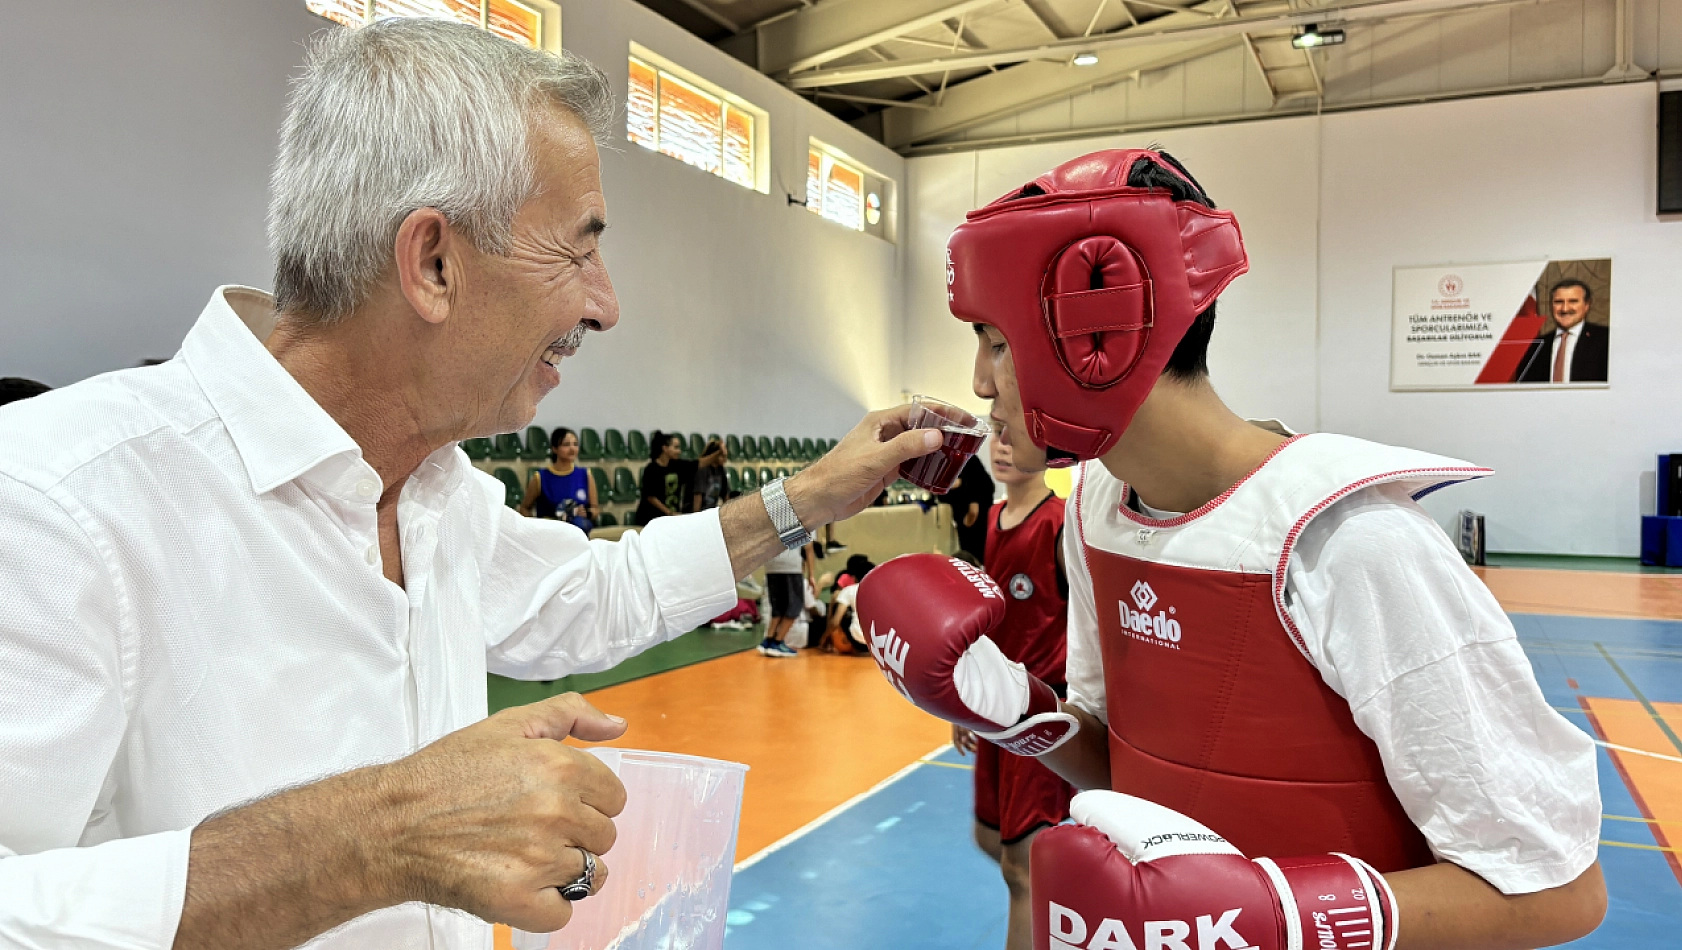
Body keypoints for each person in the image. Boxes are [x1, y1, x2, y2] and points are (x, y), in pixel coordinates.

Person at [0, 20, 944, 950]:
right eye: (578, 248)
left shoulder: (437, 494)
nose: (605, 304)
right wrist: (379, 837)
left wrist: (812, 496)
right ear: (435, 264)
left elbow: (595, 592)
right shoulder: (55, 500)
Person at [859, 149, 1604, 950]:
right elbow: (1121, 766)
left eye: (995, 340)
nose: (977, 381)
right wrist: (1013, 712)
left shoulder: (1349, 542)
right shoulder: (1101, 512)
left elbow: (1558, 890)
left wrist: (1278, 917)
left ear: (1093, 340)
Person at [950, 436, 1073, 950]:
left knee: (1020, 868)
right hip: (995, 707)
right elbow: (987, 623)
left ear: (1049, 454)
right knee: (989, 838)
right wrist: (963, 698)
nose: (999, 448)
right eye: (997, 437)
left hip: (1039, 711)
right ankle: (1067, 912)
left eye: (1014, 439)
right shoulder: (994, 517)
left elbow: (1090, 622)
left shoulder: (1060, 524)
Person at [1512, 278, 1609, 383]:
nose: (1565, 309)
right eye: (1559, 302)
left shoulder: (1606, 339)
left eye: (1573, 301)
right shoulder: (1535, 346)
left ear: (1587, 305)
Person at [520, 426, 598, 530]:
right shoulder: (540, 477)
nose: (572, 449)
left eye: (575, 444)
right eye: (566, 445)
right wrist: (536, 528)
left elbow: (595, 509)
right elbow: (524, 508)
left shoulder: (585, 474)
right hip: (551, 532)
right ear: (554, 448)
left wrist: (587, 513)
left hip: (578, 531)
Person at [757, 536, 815, 658]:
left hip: (771, 563)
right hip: (791, 564)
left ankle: (768, 640)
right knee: (795, 605)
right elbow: (808, 546)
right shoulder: (805, 517)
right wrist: (812, 575)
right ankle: (778, 642)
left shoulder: (773, 516)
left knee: (778, 605)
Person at [943, 452, 995, 561]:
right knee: (968, 553)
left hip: (976, 516)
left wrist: (974, 503)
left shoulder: (966, 458)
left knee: (978, 552)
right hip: (962, 517)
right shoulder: (948, 460)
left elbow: (983, 483)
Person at [634, 430, 689, 524]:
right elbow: (651, 496)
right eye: (676, 447)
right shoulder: (651, 469)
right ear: (665, 448)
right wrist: (669, 513)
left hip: (667, 518)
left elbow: (698, 463)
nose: (679, 451)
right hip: (650, 518)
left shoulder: (676, 465)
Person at [691, 438, 728, 511]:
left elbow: (725, 494)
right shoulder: (702, 470)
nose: (725, 459)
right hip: (698, 512)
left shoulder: (721, 470)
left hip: (710, 511)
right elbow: (698, 496)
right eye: (722, 456)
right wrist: (696, 516)